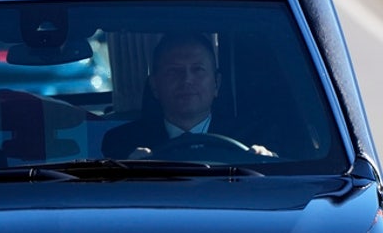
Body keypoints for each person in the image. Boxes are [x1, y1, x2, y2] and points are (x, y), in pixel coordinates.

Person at [100, 32, 274, 159]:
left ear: (217, 84)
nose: (186, 80)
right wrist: (127, 173)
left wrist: (267, 162)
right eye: (174, 71)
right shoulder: (122, 143)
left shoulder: (253, 137)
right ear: (154, 86)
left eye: (198, 70)